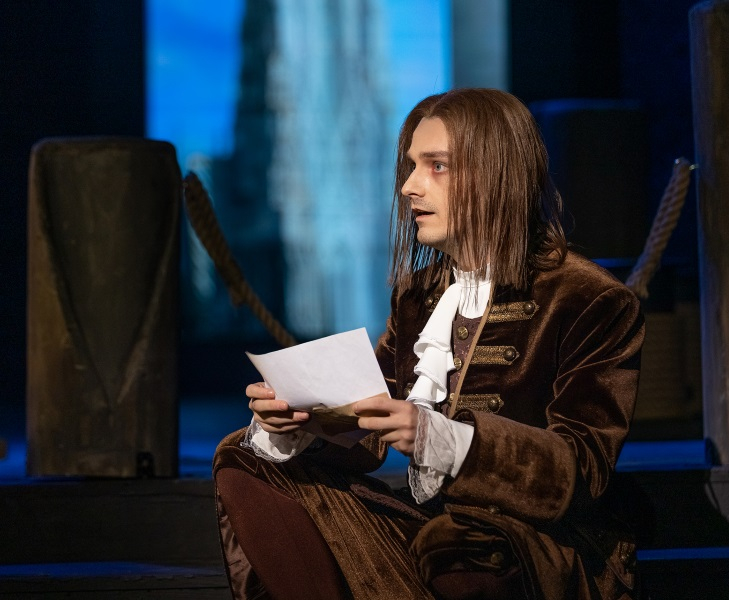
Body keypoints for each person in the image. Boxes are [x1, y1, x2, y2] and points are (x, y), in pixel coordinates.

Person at [213, 88, 645, 600]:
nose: (409, 187)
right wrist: (299, 420)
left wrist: (440, 438)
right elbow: (369, 428)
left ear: (497, 174)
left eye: (436, 166)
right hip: (432, 523)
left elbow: (583, 470)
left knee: (456, 549)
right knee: (244, 459)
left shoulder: (590, 299)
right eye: (412, 166)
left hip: (536, 543)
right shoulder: (418, 295)